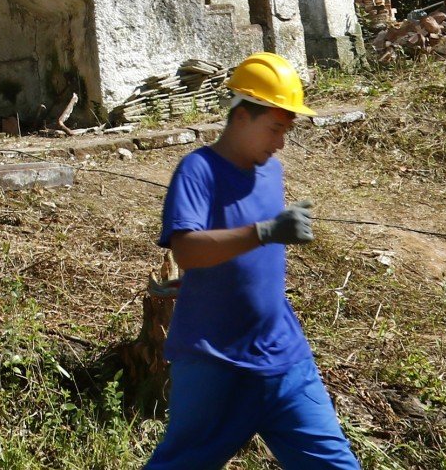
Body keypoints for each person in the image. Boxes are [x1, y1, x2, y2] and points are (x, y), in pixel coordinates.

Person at [144, 52, 359, 470]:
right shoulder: (198, 170)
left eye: (287, 130)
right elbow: (185, 249)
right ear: (241, 116)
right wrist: (265, 232)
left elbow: (244, 263)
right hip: (216, 363)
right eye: (275, 128)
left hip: (283, 359)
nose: (281, 142)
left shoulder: (270, 173)